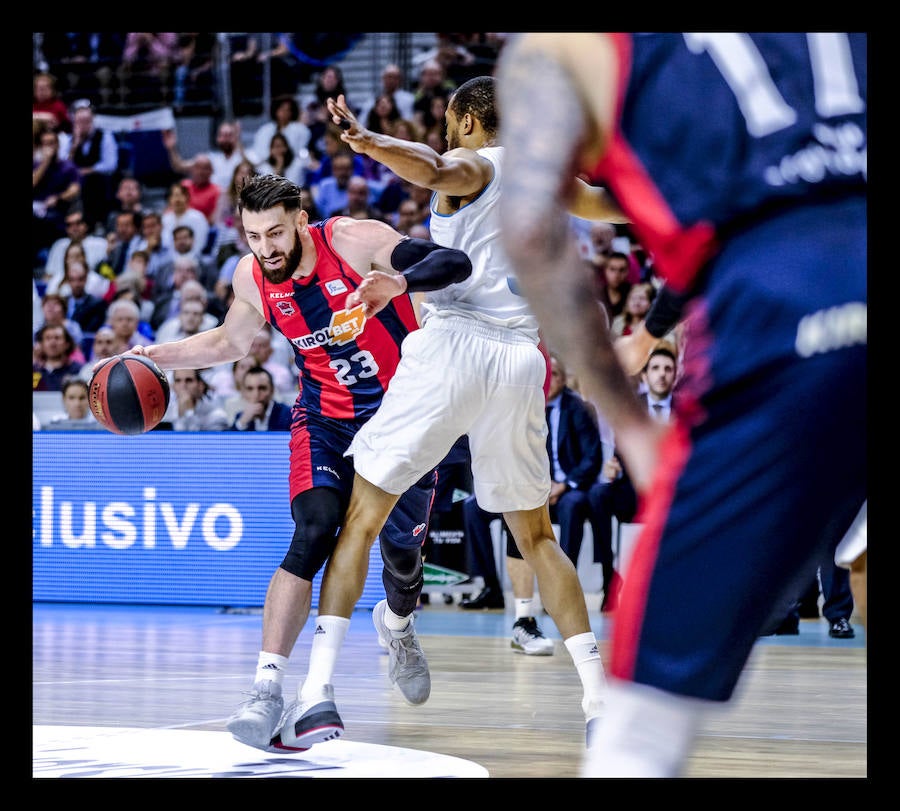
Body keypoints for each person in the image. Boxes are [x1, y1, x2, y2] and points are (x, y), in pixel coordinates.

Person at [495, 32, 867, 777]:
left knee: (638, 728)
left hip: (789, 309)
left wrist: (631, 425)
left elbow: (532, 226)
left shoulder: (565, 48)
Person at [304, 75, 625, 753]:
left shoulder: (475, 163)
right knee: (536, 538)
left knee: (360, 519)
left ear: (472, 121)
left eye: (451, 119)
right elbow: (614, 208)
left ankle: (315, 695)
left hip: (456, 345)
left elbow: (434, 166)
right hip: (521, 359)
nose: (448, 131)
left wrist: (368, 142)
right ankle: (599, 701)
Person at [120, 172, 472, 754]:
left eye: (276, 233)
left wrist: (397, 283)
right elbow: (230, 343)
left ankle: (400, 625)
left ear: (301, 220)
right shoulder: (251, 275)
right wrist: (155, 355)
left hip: (401, 416)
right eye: (254, 235)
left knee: (403, 558)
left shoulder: (354, 241)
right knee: (312, 532)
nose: (266, 247)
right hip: (324, 419)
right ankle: (266, 686)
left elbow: (453, 262)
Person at [161, 368, 230, 432]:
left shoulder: (216, 416)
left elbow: (193, 441)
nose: (183, 385)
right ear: (173, 386)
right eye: (178, 381)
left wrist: (188, 413)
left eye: (189, 380)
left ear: (200, 386)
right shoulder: (164, 413)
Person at [228, 366, 293, 432]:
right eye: (250, 389)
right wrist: (242, 422)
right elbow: (229, 440)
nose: (256, 394)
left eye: (262, 388)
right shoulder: (240, 417)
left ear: (272, 390)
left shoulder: (289, 415)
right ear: (244, 393)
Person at [33, 324, 83, 391]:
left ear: (67, 344)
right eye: (48, 338)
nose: (52, 343)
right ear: (41, 344)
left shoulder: (79, 370)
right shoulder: (35, 370)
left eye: (57, 338)